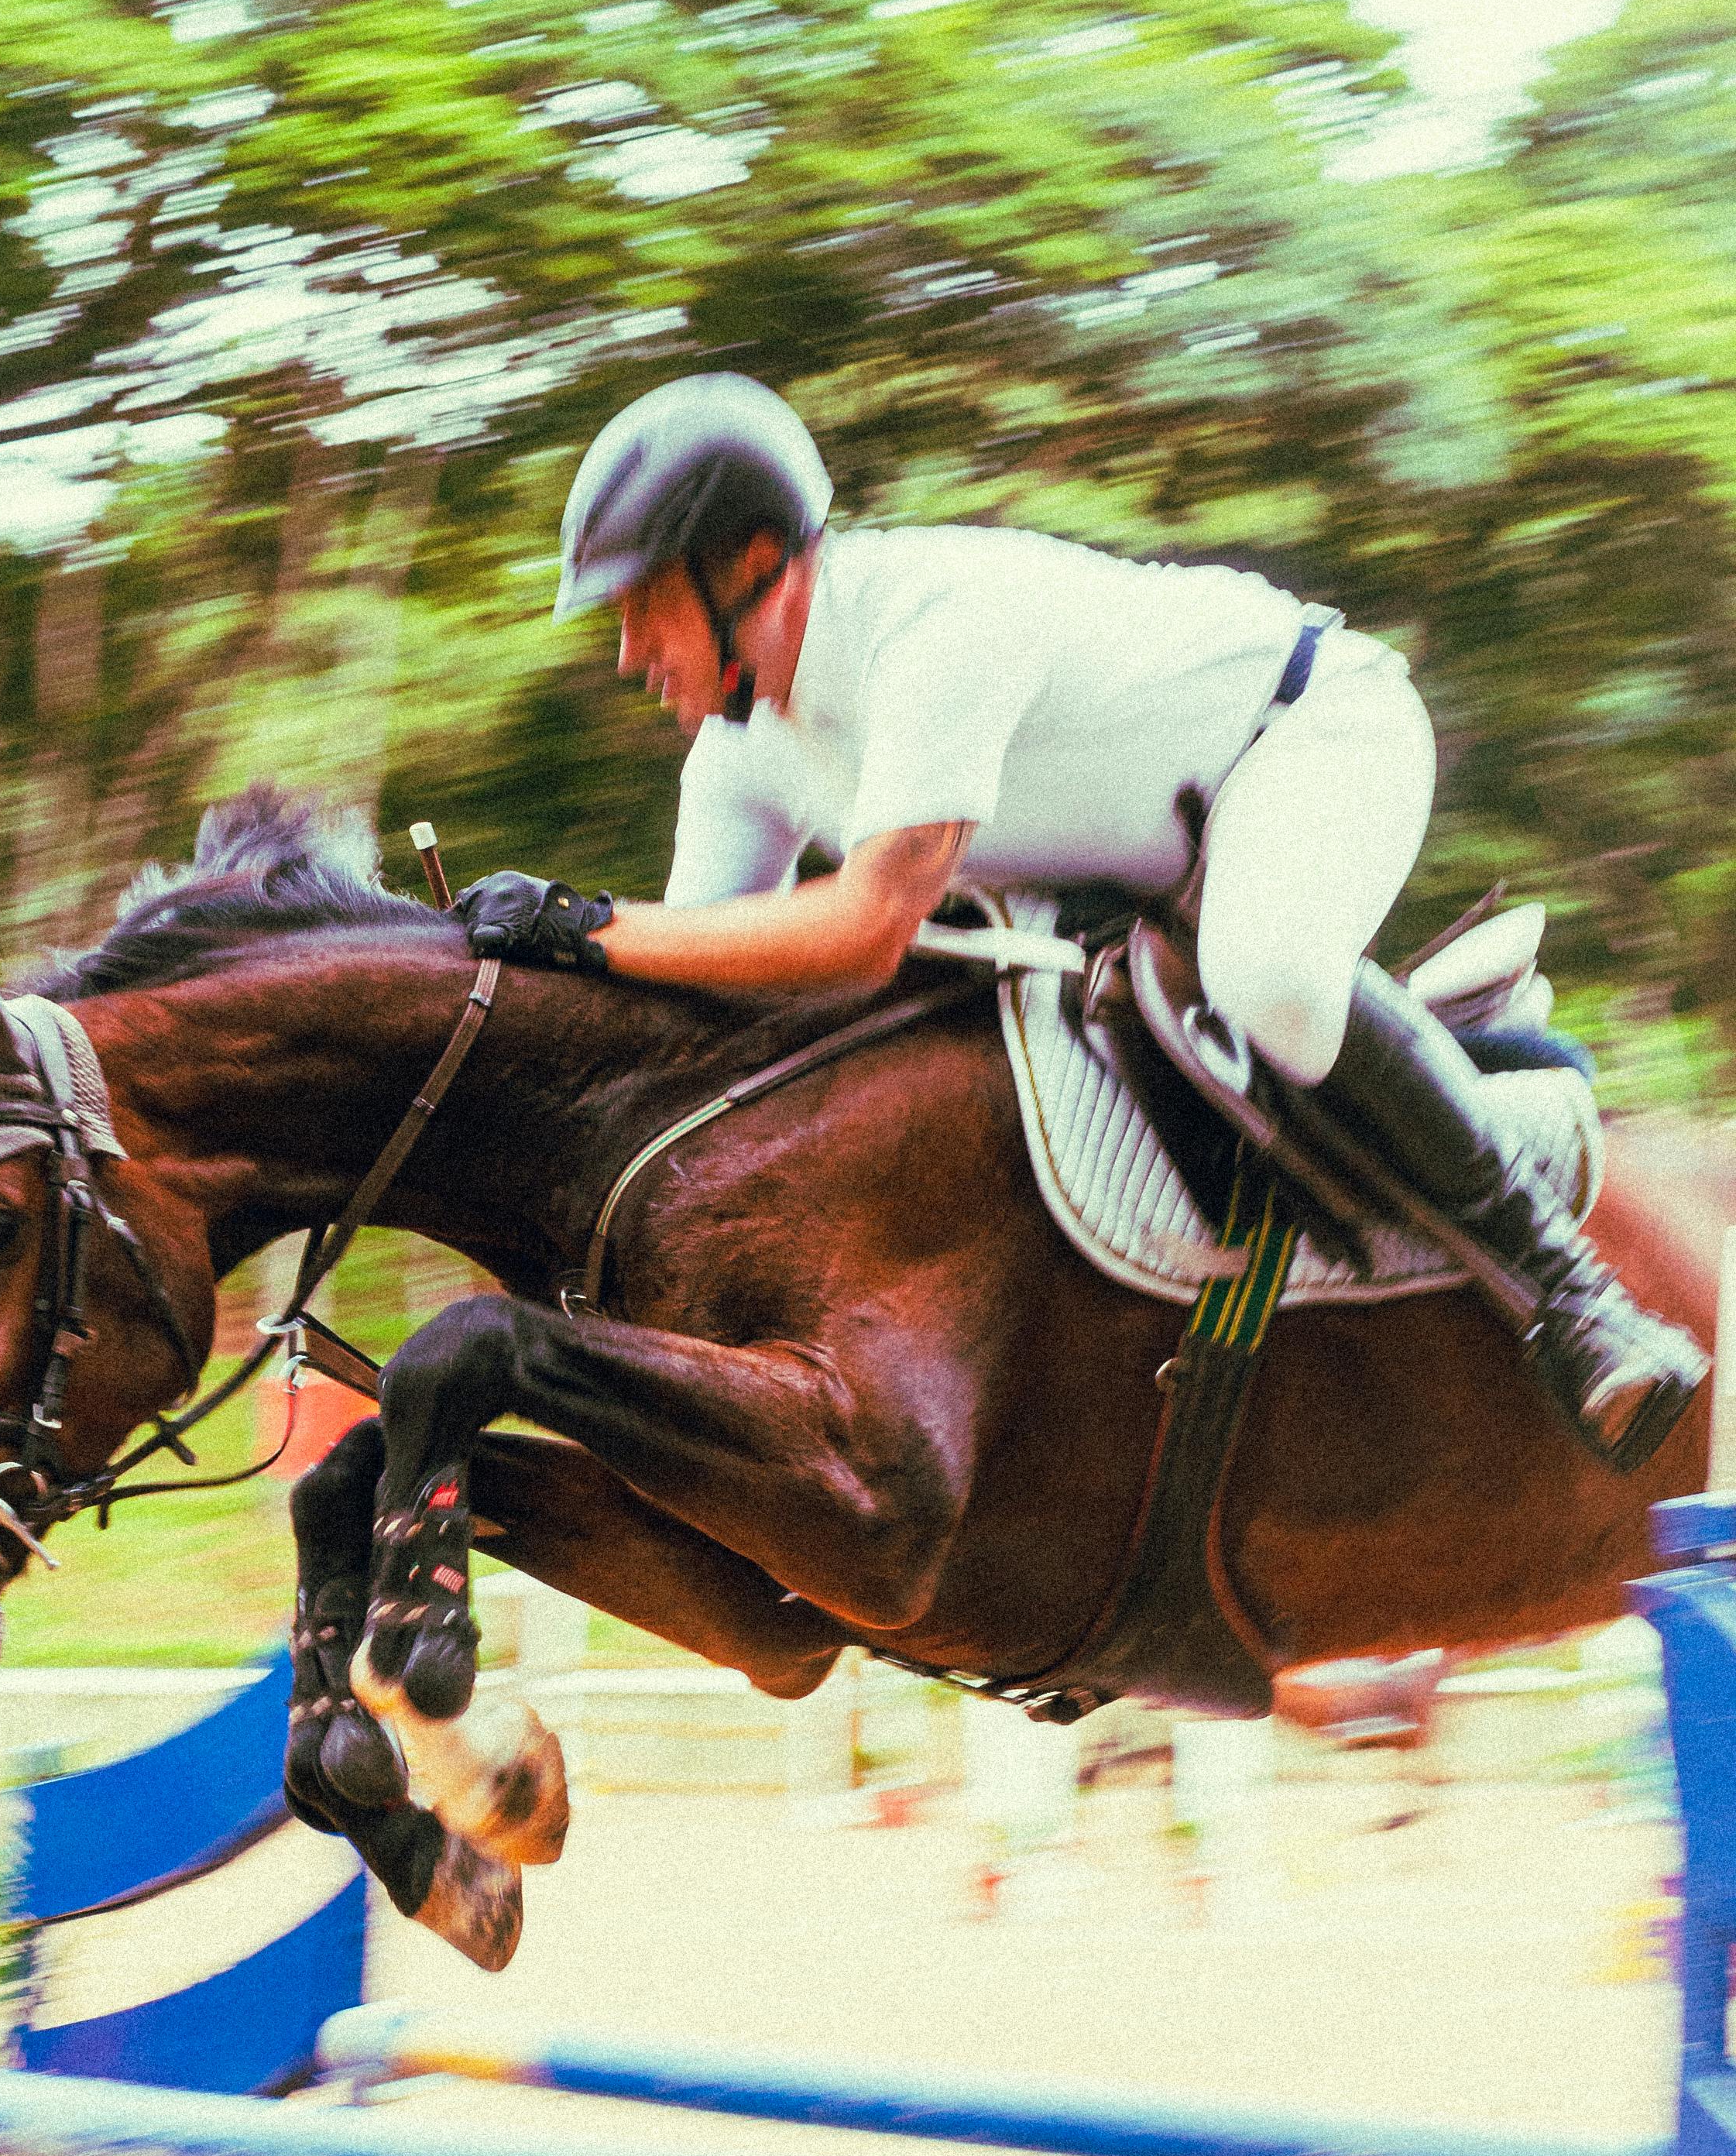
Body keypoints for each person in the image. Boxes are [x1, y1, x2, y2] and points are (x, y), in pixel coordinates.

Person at [453, 372, 1703, 1469]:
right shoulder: (740, 752)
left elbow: (868, 925)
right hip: (1171, 874)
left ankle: (1577, 1295)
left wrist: (584, 924)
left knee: (1266, 972)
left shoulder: (926, 620)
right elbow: (699, 971)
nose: (627, 656)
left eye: (640, 609)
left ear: (753, 568)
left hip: (1318, 734)